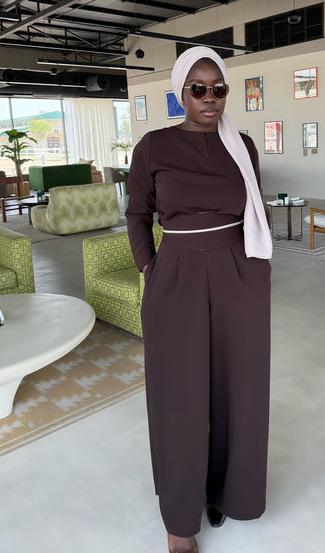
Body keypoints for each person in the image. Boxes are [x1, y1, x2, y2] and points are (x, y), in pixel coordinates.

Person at [126, 46, 272, 553]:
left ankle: (224, 490)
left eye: (218, 88)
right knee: (180, 397)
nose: (210, 98)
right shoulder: (153, 147)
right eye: (198, 89)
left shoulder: (242, 146)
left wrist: (258, 271)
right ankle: (179, 519)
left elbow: (255, 209)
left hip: (239, 273)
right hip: (176, 273)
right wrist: (149, 267)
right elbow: (137, 214)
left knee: (237, 390)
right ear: (180, 93)